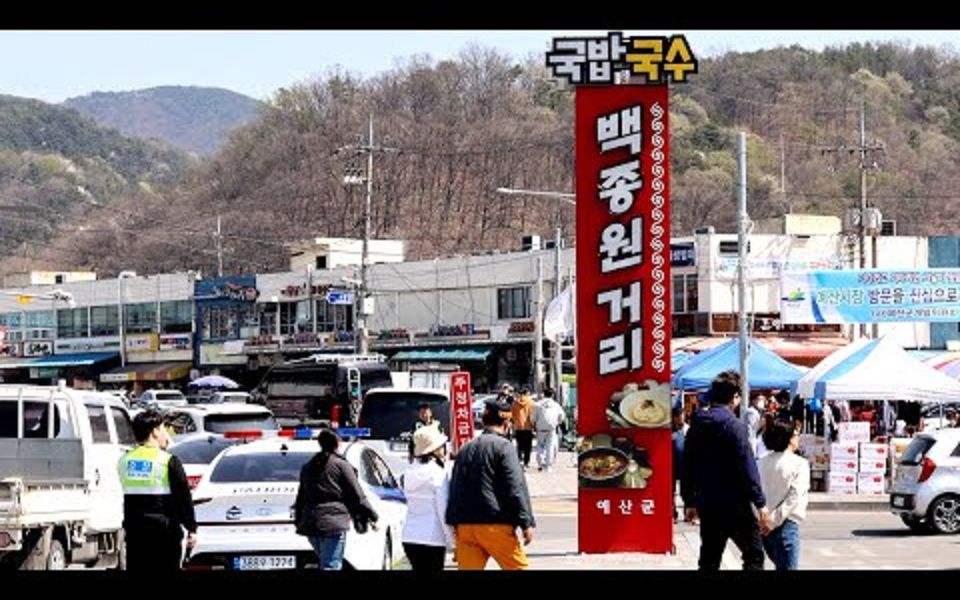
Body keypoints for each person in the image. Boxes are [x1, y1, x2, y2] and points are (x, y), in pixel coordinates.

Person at [681, 370, 769, 571]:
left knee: (709, 559)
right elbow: (747, 466)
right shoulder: (734, 426)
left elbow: (687, 464)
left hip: (708, 503)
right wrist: (760, 502)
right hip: (736, 505)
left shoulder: (697, 425)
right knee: (754, 556)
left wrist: (689, 500)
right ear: (735, 397)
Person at [446, 396, 536, 570]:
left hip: (465, 526)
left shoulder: (466, 448)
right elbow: (515, 487)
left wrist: (454, 522)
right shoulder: (503, 447)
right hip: (494, 524)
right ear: (507, 422)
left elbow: (454, 486)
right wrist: (526, 522)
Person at [118, 410, 197, 571]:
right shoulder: (167, 461)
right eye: (162, 429)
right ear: (154, 431)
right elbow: (183, 498)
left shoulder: (124, 460)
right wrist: (191, 528)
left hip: (135, 536)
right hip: (164, 535)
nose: (165, 434)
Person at [294, 428, 379, 570]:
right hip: (333, 523)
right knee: (331, 565)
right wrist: (372, 515)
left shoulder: (308, 466)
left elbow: (301, 497)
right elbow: (357, 494)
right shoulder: (341, 465)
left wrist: (298, 520)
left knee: (326, 562)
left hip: (311, 522)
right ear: (337, 444)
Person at [758, 418, 810, 571]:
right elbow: (794, 497)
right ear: (788, 438)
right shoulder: (800, 463)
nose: (798, 438)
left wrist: (763, 521)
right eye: (796, 434)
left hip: (764, 526)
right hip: (786, 524)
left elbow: (754, 493)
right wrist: (773, 521)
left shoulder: (761, 462)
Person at [402, 426, 455, 572]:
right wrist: (452, 542)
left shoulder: (408, 472)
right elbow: (443, 510)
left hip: (409, 536)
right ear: (435, 449)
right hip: (433, 537)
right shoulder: (437, 474)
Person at [533, 387, 566, 472]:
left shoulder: (537, 404)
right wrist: (557, 423)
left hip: (540, 428)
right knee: (550, 447)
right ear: (552, 395)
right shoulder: (556, 405)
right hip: (551, 428)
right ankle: (548, 466)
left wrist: (535, 424)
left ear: (543, 394)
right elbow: (562, 417)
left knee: (540, 445)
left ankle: (540, 463)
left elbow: (533, 417)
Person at [511, 386, 536, 470]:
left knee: (519, 445)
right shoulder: (531, 403)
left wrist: (515, 423)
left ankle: (520, 460)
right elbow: (533, 416)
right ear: (527, 393)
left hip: (518, 427)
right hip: (528, 427)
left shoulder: (514, 403)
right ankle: (526, 462)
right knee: (528, 446)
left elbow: (512, 416)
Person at [671, 406, 686, 522]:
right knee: (671, 491)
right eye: (681, 417)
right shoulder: (669, 432)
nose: (683, 419)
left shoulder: (683, 429)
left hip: (683, 464)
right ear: (675, 418)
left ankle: (687, 512)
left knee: (685, 490)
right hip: (671, 466)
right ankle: (672, 513)